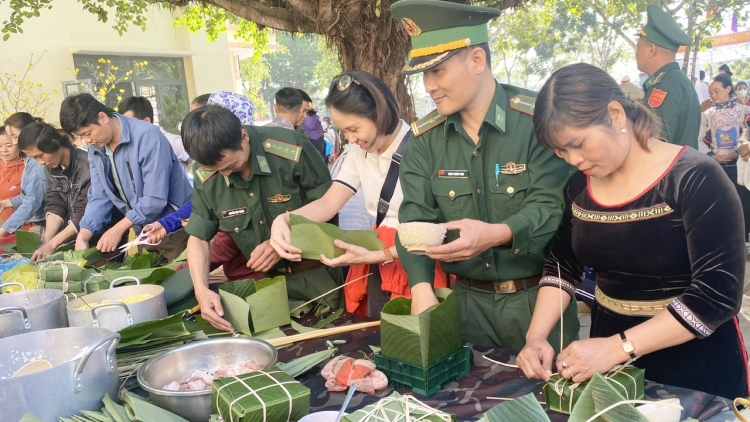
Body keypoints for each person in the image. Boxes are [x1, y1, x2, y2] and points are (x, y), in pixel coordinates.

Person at [515, 62, 749, 400]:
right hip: (607, 362)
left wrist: (617, 348)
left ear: (616, 114)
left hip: (695, 363)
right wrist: (535, 337)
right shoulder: (579, 186)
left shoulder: (695, 178)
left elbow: (717, 294)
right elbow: (563, 263)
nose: (572, 159)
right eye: (561, 150)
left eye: (578, 143)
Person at [389, 0, 578, 351]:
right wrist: (421, 288)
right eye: (424, 74)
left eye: (438, 70)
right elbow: (415, 221)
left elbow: (550, 205)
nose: (429, 86)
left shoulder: (537, 120)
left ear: (477, 60)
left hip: (539, 300)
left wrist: (497, 234)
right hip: (464, 305)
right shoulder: (424, 140)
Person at [270, 70, 449, 318]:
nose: (351, 139)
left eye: (354, 128)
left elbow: (436, 230)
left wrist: (382, 254)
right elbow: (330, 202)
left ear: (380, 111)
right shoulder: (358, 151)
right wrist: (285, 219)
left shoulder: (421, 146)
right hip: (375, 259)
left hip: (419, 260)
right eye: (343, 131)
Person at [182, 105, 342, 331]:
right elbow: (198, 236)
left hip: (314, 277)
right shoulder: (206, 173)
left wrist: (280, 243)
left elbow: (328, 208)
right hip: (264, 286)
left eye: (231, 166)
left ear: (244, 136)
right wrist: (201, 289)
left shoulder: (291, 149)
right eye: (217, 171)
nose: (226, 175)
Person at [60, 93, 192, 260]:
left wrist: (118, 229)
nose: (87, 141)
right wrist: (85, 232)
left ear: (102, 117)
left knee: (186, 280)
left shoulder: (147, 136)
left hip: (175, 227)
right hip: (143, 231)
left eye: (88, 133)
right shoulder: (96, 148)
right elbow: (99, 194)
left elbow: (154, 198)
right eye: (82, 136)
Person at [17, 122, 91, 261]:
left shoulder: (87, 166)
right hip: (70, 237)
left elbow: (84, 212)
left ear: (55, 143)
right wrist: (47, 241)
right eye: (34, 158)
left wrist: (52, 244)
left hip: (97, 238)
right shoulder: (51, 167)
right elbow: (55, 202)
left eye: (40, 155)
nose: (40, 162)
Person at [636, 5, 700, 149]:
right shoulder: (680, 81)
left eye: (638, 47)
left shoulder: (662, 87)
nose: (636, 53)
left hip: (670, 171)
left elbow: (654, 147)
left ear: (651, 50)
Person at [700, 74, 750, 242]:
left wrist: (738, 152)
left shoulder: (744, 111)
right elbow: (700, 139)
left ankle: (744, 240)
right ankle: (729, 241)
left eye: (717, 91)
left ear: (728, 89)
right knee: (723, 204)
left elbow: (746, 136)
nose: (713, 95)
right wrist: (711, 157)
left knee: (744, 203)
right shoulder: (707, 114)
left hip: (740, 166)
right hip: (718, 166)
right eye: (710, 92)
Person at [117, 96, 193, 176]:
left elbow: (202, 163)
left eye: (130, 124)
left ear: (147, 121)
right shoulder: (132, 147)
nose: (125, 129)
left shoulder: (172, 142)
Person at [1, 113, 47, 237]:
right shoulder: (29, 160)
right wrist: (5, 203)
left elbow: (32, 201)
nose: (15, 142)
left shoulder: (37, 162)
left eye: (14, 137)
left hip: (38, 222)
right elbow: (26, 196)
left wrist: (5, 229)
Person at [0, 126, 25, 228]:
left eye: (9, 146)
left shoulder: (27, 168)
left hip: (16, 229)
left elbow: (33, 198)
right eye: (0, 146)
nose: (4, 150)